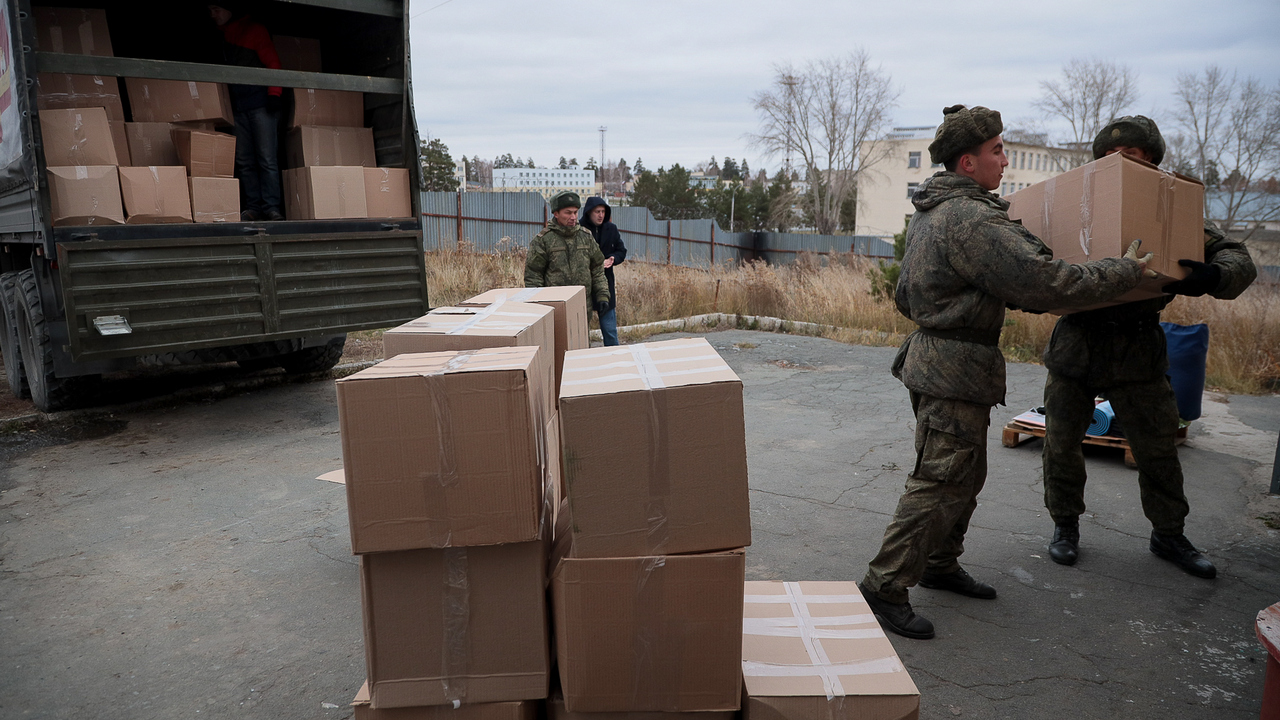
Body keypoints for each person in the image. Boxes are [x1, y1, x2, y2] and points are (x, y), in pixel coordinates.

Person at [859, 105, 1154, 640]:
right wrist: (1123, 272)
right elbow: (1042, 284)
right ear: (968, 162)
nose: (1005, 158)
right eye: (997, 150)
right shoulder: (970, 218)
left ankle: (939, 563)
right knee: (941, 478)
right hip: (953, 368)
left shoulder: (933, 210)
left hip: (937, 360)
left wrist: (942, 317)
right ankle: (883, 586)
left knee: (963, 475)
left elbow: (905, 295)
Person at [1041, 116, 1257, 579]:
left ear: (1153, 163)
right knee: (1060, 445)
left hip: (1139, 348)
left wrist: (1211, 277)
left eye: (1134, 157)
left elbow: (1237, 257)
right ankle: (1065, 526)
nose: (1121, 163)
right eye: (1112, 157)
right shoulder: (1081, 204)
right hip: (1077, 343)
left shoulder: (1169, 209)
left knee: (1158, 448)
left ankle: (1169, 534)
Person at [209, 4, 284, 222]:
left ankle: (272, 208)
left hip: (262, 105)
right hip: (237, 107)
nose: (213, 14)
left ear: (229, 8)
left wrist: (274, 94)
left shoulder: (254, 30)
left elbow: (274, 63)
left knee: (267, 158)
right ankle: (254, 208)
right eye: (210, 10)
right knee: (244, 160)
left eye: (216, 9)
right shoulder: (220, 37)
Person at [524, 192, 611, 325]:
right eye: (568, 213)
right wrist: (538, 304)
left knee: (581, 344)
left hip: (582, 307)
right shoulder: (544, 240)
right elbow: (533, 275)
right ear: (556, 213)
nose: (573, 217)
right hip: (554, 309)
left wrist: (602, 296)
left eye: (575, 213)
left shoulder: (586, 237)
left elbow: (597, 269)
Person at [580, 196, 627, 346]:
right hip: (584, 284)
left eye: (603, 211)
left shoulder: (611, 229)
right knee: (580, 330)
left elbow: (621, 250)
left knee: (610, 331)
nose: (601, 215)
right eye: (597, 212)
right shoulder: (579, 229)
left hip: (606, 283)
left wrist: (613, 258)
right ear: (588, 212)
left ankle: (614, 358)